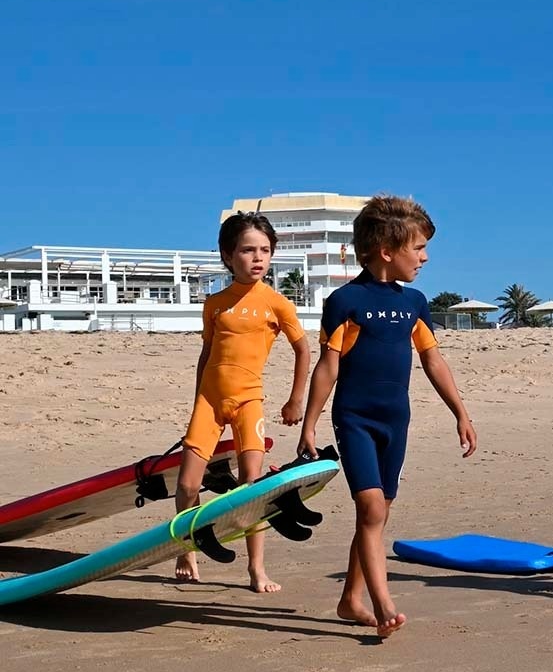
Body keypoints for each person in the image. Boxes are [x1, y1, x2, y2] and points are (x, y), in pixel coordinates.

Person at [297, 195, 477, 639]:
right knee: (371, 508)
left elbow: (434, 361)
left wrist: (461, 412)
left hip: (397, 420)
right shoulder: (345, 301)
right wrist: (310, 422)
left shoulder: (415, 302)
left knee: (378, 514)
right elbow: (328, 365)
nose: (425, 256)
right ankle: (382, 605)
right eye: (417, 248)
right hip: (356, 417)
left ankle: (350, 599)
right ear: (386, 250)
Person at [174, 211, 310, 592]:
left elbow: (303, 351)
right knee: (187, 486)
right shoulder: (215, 303)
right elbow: (207, 352)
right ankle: (188, 550)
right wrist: (199, 394)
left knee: (252, 488)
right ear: (227, 254)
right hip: (209, 401)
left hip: (250, 402)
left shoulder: (277, 303)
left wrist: (294, 400)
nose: (258, 258)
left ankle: (257, 568)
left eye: (265, 250)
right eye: (248, 250)